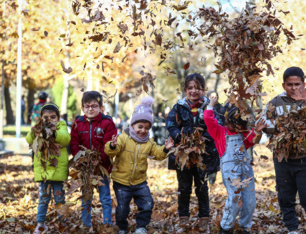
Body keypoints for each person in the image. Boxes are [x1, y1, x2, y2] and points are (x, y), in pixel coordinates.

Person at [259, 67, 306, 234]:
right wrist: (281, 127)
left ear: (303, 84)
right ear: (284, 85)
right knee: (285, 195)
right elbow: (262, 122)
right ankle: (292, 229)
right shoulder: (275, 103)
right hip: (282, 157)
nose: (293, 87)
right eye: (290, 84)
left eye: (297, 84)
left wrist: (303, 128)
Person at [104, 96, 174, 234]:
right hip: (121, 181)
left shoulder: (149, 142)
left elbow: (157, 154)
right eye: (140, 127)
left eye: (147, 128)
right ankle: (122, 227)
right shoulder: (123, 138)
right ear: (132, 125)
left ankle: (141, 226)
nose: (143, 130)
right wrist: (112, 146)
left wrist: (165, 149)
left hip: (140, 182)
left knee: (148, 204)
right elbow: (111, 151)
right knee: (123, 208)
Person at [166, 73, 220, 232]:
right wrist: (178, 136)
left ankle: (204, 218)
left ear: (204, 89)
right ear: (185, 89)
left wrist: (204, 139)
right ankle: (183, 218)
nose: (194, 91)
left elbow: (217, 124)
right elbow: (171, 124)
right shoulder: (179, 106)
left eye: (198, 88)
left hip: (203, 154)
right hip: (183, 154)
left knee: (202, 187)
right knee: (184, 187)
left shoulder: (210, 106)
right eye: (190, 88)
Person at [204, 95, 265, 234]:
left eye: (241, 126)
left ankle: (245, 227)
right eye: (235, 125)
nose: (238, 128)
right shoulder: (220, 132)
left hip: (246, 171)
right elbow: (209, 120)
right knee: (235, 200)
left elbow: (252, 140)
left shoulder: (243, 133)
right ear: (227, 120)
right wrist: (210, 106)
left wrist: (258, 131)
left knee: (250, 202)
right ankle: (226, 227)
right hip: (231, 173)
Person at [70, 91, 117, 229]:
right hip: (85, 169)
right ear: (82, 108)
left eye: (94, 106)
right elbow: (74, 144)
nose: (90, 109)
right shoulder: (78, 123)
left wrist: (100, 160)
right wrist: (82, 160)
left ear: (100, 107)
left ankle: (107, 224)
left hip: (102, 167)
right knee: (86, 198)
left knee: (105, 198)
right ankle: (86, 225)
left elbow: (108, 144)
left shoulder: (107, 123)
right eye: (87, 106)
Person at [25, 103, 71, 234]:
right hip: (44, 173)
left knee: (60, 200)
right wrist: (35, 131)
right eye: (46, 118)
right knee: (43, 200)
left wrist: (54, 132)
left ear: (58, 118)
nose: (49, 120)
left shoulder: (61, 127)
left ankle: (63, 224)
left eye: (53, 117)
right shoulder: (38, 128)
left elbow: (65, 139)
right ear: (41, 118)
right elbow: (28, 139)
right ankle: (40, 224)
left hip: (58, 172)